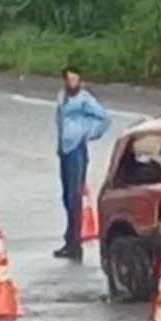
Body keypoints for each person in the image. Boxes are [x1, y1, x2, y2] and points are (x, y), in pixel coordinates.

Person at [54, 66, 111, 260]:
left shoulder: (84, 99)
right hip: (65, 150)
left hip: (77, 150)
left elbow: (104, 118)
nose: (72, 83)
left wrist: (88, 133)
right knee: (66, 197)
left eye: (75, 80)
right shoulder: (62, 97)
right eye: (69, 80)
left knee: (74, 196)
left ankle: (75, 243)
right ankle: (70, 239)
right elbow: (60, 122)